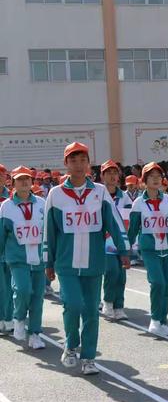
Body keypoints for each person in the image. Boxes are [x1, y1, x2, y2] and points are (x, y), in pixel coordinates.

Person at [43, 142, 130, 375]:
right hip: (66, 263)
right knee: (72, 304)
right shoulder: (56, 194)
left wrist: (124, 250)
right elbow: (49, 231)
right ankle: (71, 345)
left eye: (82, 160)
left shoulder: (100, 192)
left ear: (89, 163)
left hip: (94, 262)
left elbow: (114, 221)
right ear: (66, 164)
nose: (78, 165)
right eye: (73, 160)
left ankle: (89, 357)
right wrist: (48, 262)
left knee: (91, 310)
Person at [128, 163, 168, 337]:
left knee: (166, 286)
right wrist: (125, 251)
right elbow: (133, 229)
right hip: (150, 249)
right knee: (157, 282)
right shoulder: (138, 203)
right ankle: (155, 320)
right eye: (152, 176)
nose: (156, 179)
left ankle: (162, 321)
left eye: (159, 176)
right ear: (144, 181)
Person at [0, 166, 46, 349]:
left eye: (27, 179)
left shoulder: (42, 203)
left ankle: (35, 333)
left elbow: (50, 231)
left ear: (32, 182)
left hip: (39, 258)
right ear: (13, 183)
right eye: (20, 179)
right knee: (22, 290)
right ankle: (19, 318)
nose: (25, 182)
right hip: (17, 258)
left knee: (38, 297)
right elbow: (2, 234)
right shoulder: (6, 206)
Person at [101, 160, 131, 321]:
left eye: (115, 173)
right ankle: (107, 302)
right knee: (111, 271)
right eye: (108, 173)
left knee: (121, 275)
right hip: (103, 241)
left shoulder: (124, 196)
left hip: (120, 239)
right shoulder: (98, 194)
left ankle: (119, 306)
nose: (112, 176)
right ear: (102, 175)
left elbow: (128, 218)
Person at [0, 164, 14, 335]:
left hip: (10, 249)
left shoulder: (12, 198)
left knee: (10, 287)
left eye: (2, 175)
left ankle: (8, 318)